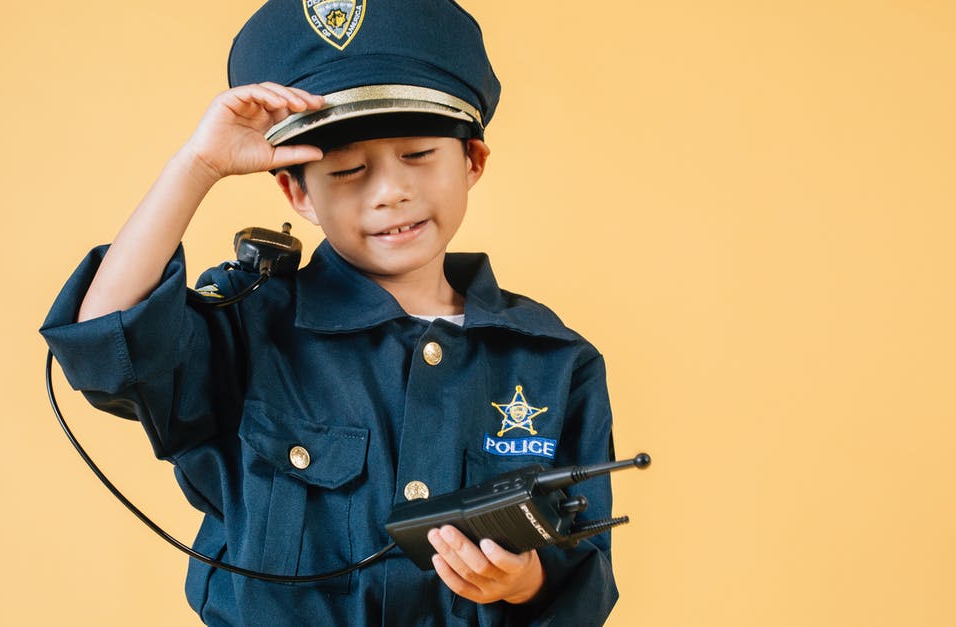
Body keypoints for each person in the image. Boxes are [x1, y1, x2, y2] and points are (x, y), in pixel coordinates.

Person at [41, 1, 619, 624]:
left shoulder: (554, 360)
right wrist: (198, 166)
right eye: (346, 169)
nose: (390, 191)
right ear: (297, 192)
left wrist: (522, 581)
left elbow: (586, 574)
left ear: (472, 161)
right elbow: (104, 344)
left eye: (419, 154)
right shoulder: (250, 323)